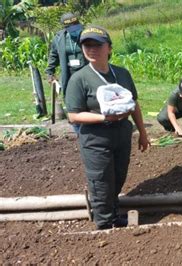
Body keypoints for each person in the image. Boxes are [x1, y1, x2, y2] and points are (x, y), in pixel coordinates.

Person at [65, 25, 150, 230]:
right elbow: (73, 115)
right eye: (87, 45)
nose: (91, 49)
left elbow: (134, 104)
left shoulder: (121, 74)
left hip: (121, 133)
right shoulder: (79, 78)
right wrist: (105, 117)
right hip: (96, 137)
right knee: (101, 179)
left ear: (109, 48)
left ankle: (112, 214)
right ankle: (103, 224)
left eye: (97, 45)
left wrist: (143, 133)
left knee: (118, 176)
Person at [45, 12, 87, 95]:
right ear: (65, 28)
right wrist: (50, 72)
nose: (75, 30)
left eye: (76, 26)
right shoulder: (58, 39)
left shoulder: (87, 35)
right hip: (69, 75)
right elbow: (54, 55)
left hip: (86, 73)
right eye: (71, 28)